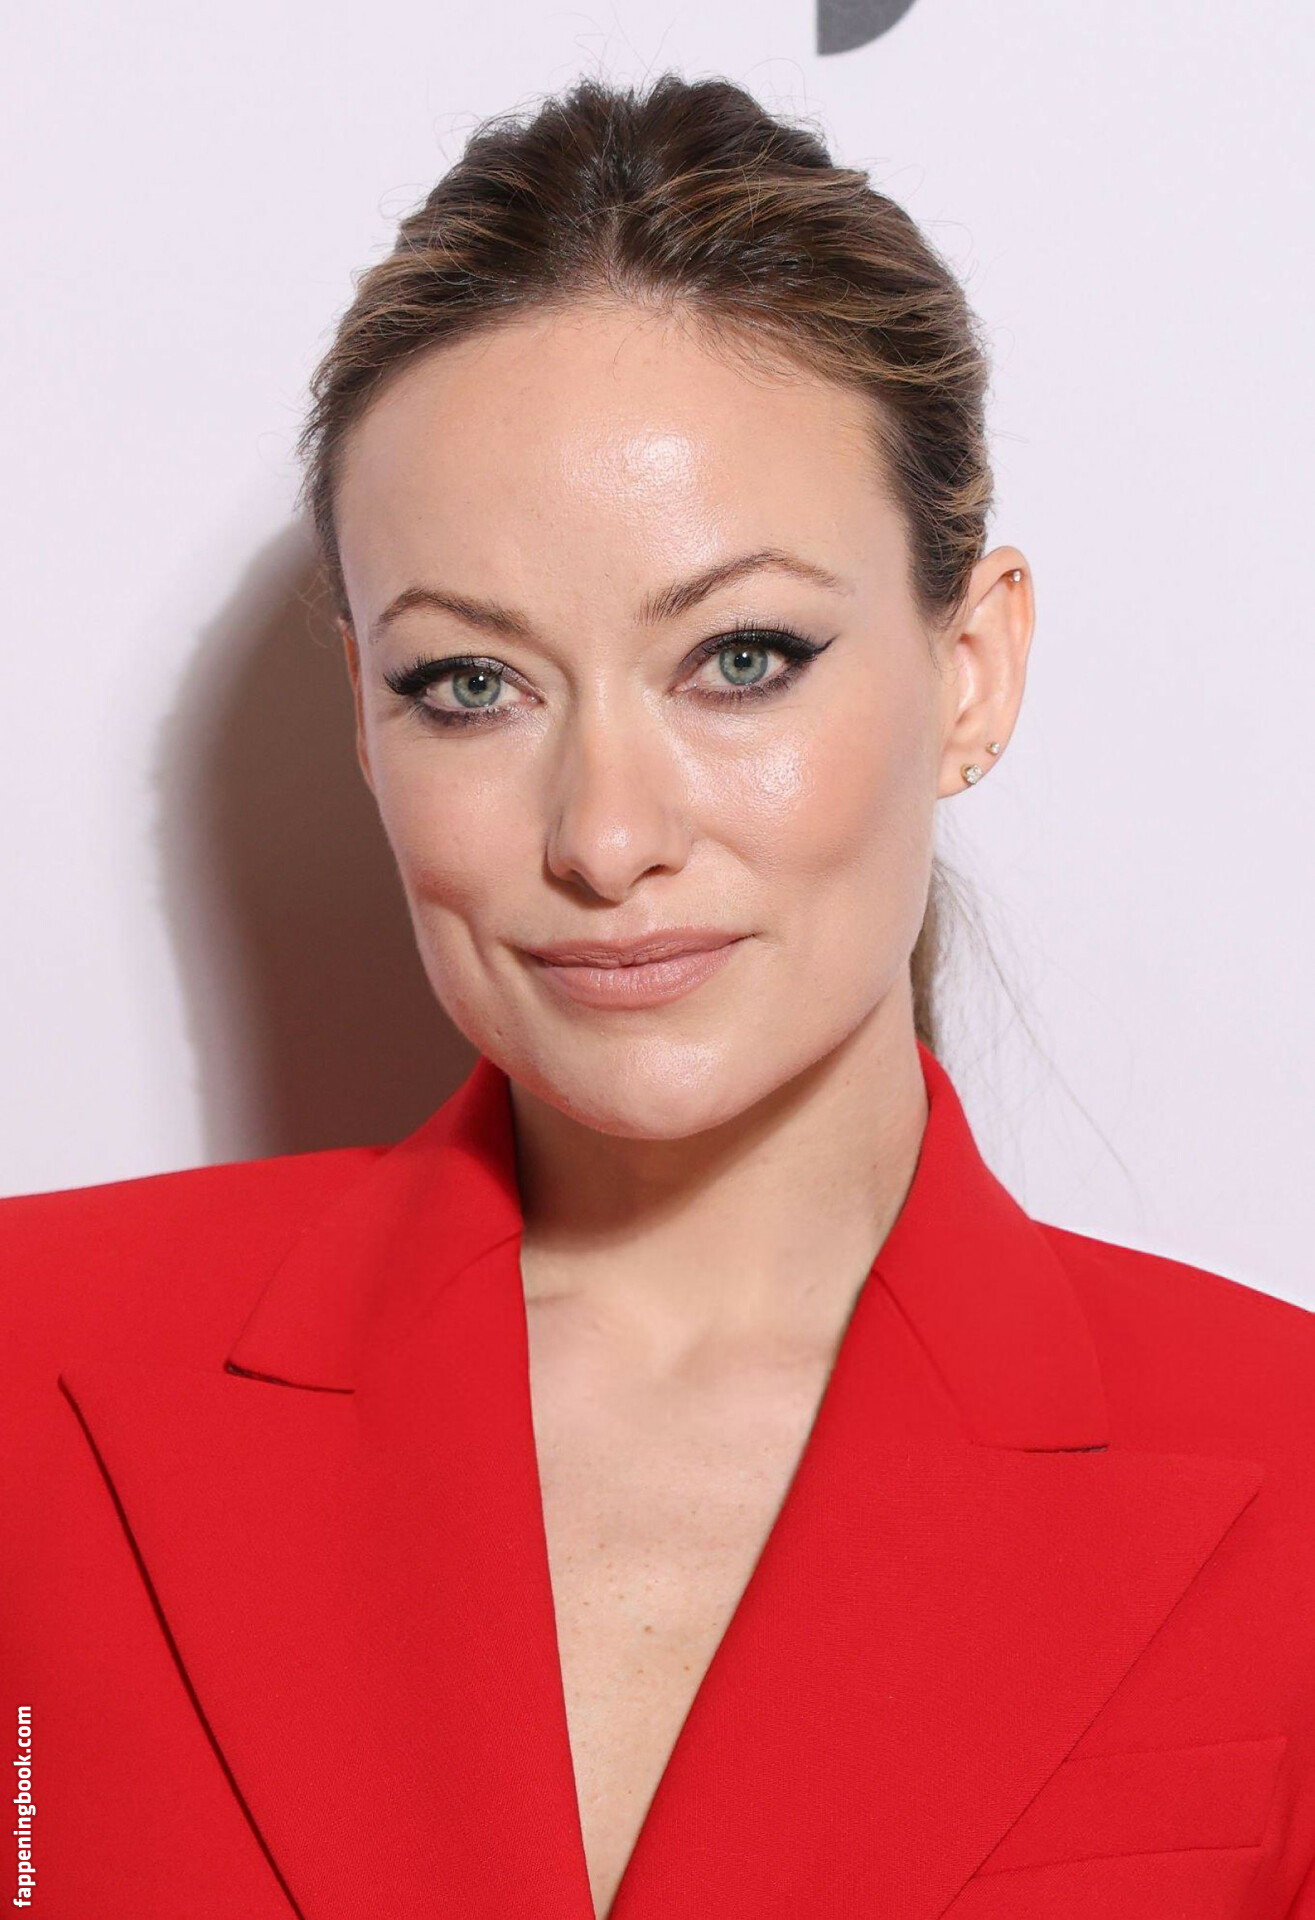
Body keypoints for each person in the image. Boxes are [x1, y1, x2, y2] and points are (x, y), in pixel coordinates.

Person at [3, 69, 1314, 1920]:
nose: (605, 837)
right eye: (470, 685)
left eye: (741, 658)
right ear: (365, 721)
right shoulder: (31, 1370)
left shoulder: (1286, 1468)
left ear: (972, 669)